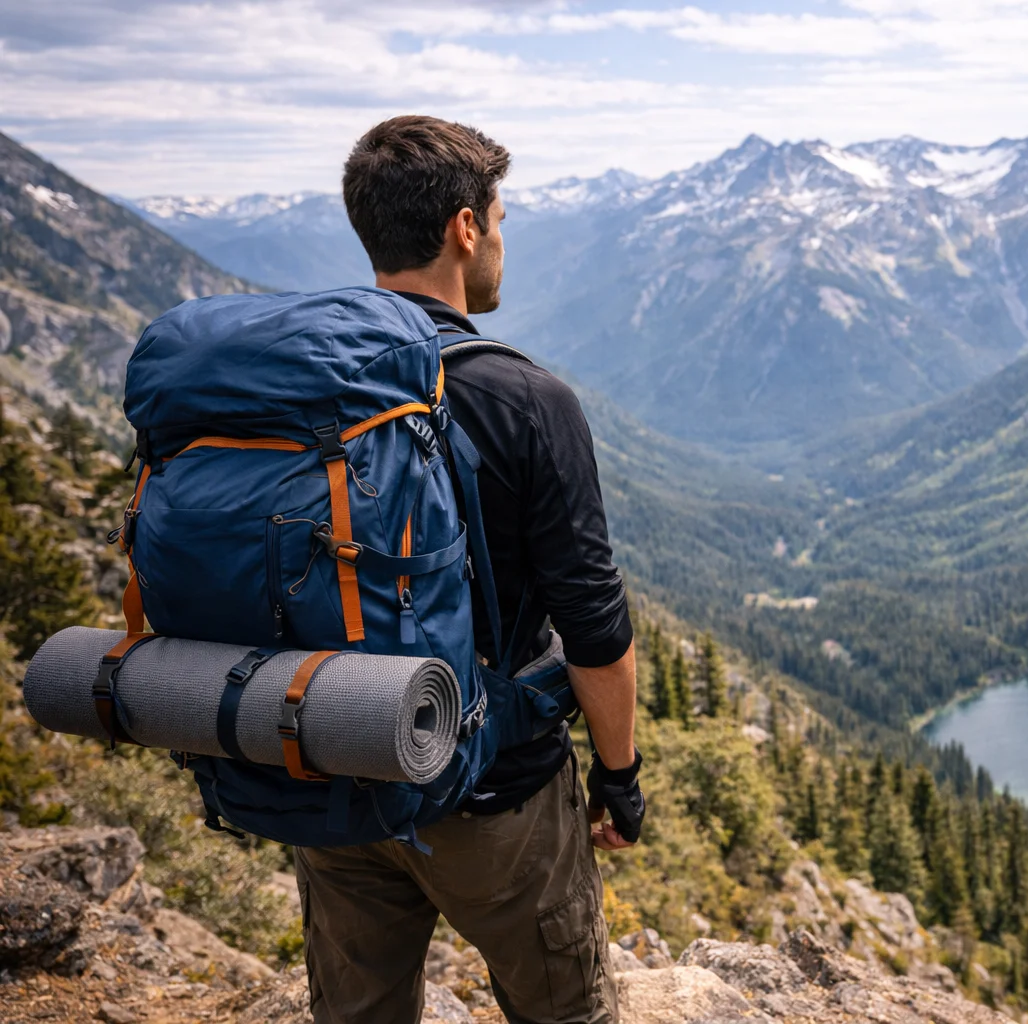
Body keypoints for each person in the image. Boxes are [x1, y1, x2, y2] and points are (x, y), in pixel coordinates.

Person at [293, 114, 643, 1024]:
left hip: (334, 762)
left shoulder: (302, 380)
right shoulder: (524, 397)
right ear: (465, 227)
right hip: (494, 791)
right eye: (500, 218)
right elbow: (595, 623)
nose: (501, 242)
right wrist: (620, 776)